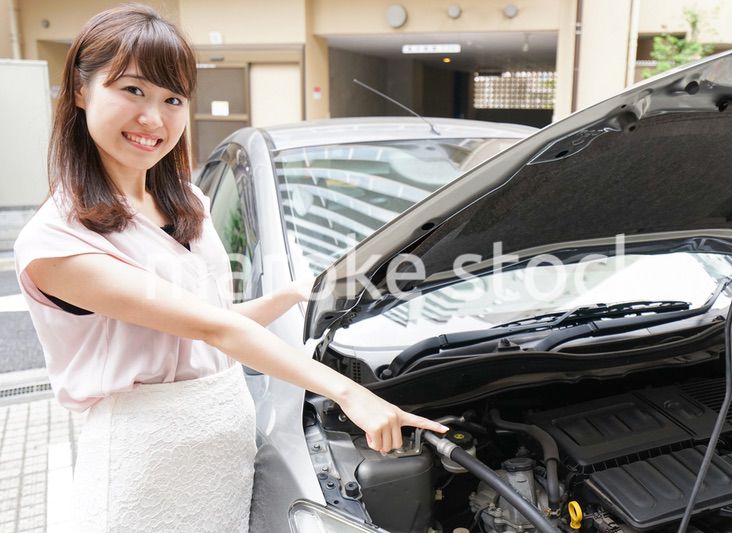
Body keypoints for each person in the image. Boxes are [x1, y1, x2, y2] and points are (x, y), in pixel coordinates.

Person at [12, 4, 448, 532]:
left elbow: (207, 323)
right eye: (133, 91)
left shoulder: (187, 203)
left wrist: (293, 294)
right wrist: (350, 392)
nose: (155, 118)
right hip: (142, 460)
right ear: (81, 90)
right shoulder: (56, 239)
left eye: (172, 98)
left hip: (223, 447)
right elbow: (210, 326)